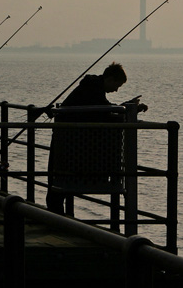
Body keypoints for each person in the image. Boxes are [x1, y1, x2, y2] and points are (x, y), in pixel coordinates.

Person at [46, 62, 147, 215]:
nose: (116, 89)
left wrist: (125, 107)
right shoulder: (93, 89)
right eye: (117, 85)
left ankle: (57, 216)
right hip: (74, 144)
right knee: (61, 180)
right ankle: (57, 216)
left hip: (66, 139)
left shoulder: (91, 87)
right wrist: (127, 108)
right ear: (110, 79)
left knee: (57, 179)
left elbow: (104, 110)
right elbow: (105, 112)